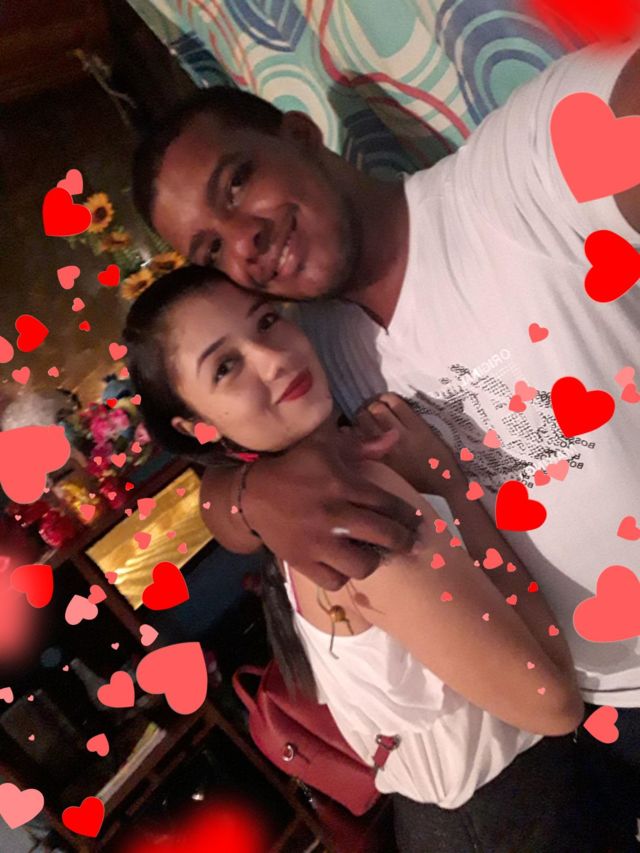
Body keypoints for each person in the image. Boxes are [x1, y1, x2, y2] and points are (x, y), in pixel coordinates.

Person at [132, 40, 640, 849]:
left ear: (301, 136)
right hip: (587, 724)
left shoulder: (509, 181)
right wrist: (249, 496)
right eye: (211, 250)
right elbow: (222, 492)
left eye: (237, 182)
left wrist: (248, 497)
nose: (242, 241)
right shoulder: (311, 364)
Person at [123, 266, 592, 852]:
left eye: (265, 321)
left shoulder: (319, 489)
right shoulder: (350, 503)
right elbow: (553, 704)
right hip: (505, 814)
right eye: (225, 367)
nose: (271, 358)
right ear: (197, 427)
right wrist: (444, 482)